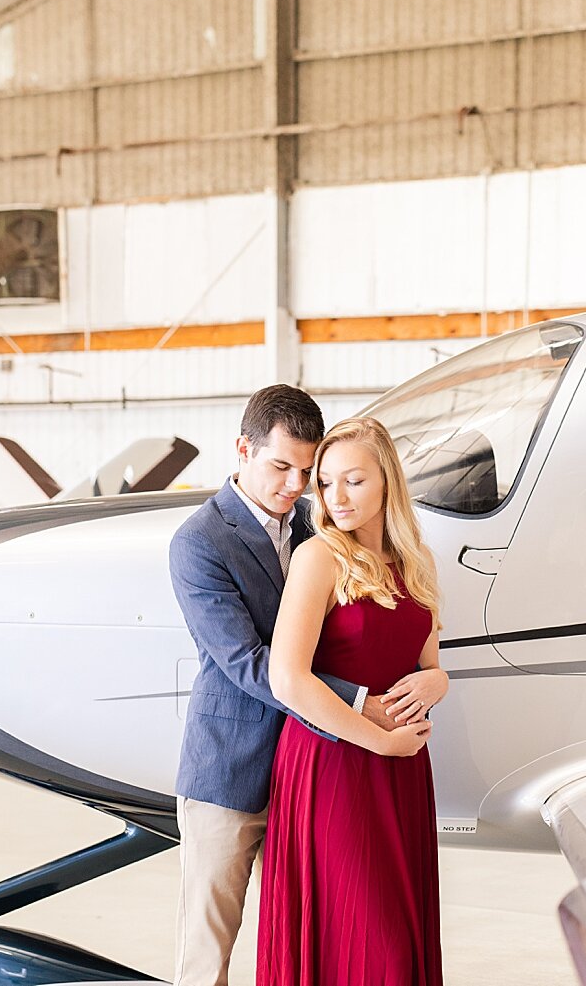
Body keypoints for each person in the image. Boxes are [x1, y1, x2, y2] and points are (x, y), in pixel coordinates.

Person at [169, 386, 407, 986]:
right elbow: (247, 661)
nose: (295, 486)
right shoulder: (199, 541)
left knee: (307, 934)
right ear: (243, 449)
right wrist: (358, 705)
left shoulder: (319, 527)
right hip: (231, 767)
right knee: (208, 949)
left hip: (315, 771)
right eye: (280, 467)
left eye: (307, 471)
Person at [258, 416, 449, 986]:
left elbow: (427, 666)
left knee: (394, 933)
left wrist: (439, 684)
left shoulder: (416, 562)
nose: (335, 497)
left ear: (387, 481)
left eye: (354, 481)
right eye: (325, 482)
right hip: (333, 765)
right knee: (371, 942)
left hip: (401, 772)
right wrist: (382, 742)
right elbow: (287, 679)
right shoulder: (320, 557)